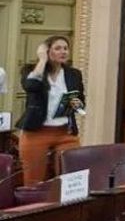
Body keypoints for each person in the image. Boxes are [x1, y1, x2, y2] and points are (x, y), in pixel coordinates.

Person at [18, 36, 86, 185]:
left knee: (72, 178)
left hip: (65, 133)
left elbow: (81, 102)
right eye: (57, 48)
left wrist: (77, 105)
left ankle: (66, 207)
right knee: (33, 181)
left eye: (65, 48)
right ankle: (34, 207)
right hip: (36, 132)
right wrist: (42, 60)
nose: (63, 52)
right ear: (47, 51)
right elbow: (31, 86)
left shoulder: (73, 74)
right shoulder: (31, 70)